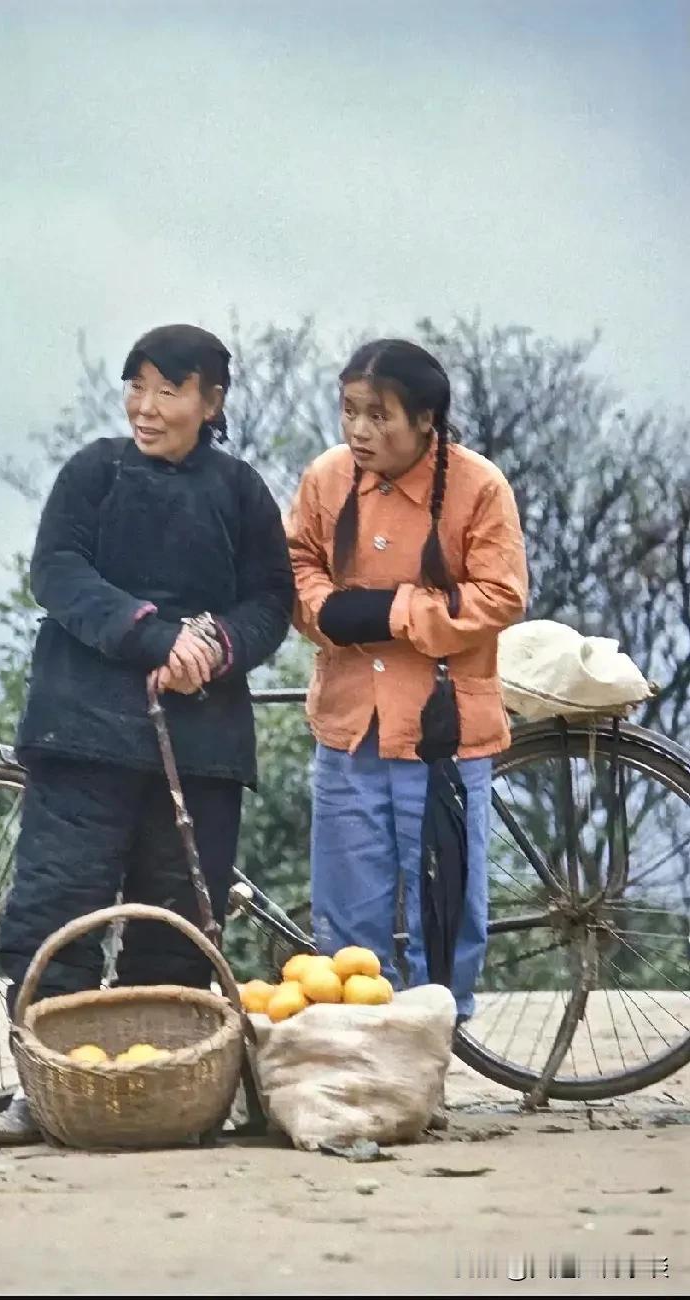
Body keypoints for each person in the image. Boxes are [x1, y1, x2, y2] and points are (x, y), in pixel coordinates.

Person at [0, 324, 294, 1144]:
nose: (146, 407)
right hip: (84, 728)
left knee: (177, 921)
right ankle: (47, 1085)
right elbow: (58, 572)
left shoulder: (240, 492)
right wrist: (154, 636)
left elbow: (271, 601)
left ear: (211, 401)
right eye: (136, 386)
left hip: (200, 742)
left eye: (168, 390)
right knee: (59, 910)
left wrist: (214, 649)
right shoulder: (94, 472)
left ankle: (162, 1090)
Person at [285, 338, 527, 1029]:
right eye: (349, 412)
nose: (359, 431)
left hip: (442, 729)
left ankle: (434, 1050)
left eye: (379, 416)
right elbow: (296, 563)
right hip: (350, 721)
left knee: (446, 910)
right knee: (345, 908)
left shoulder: (478, 486)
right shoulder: (327, 479)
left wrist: (397, 612)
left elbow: (501, 594)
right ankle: (361, 1051)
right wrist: (327, 609)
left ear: (427, 421)